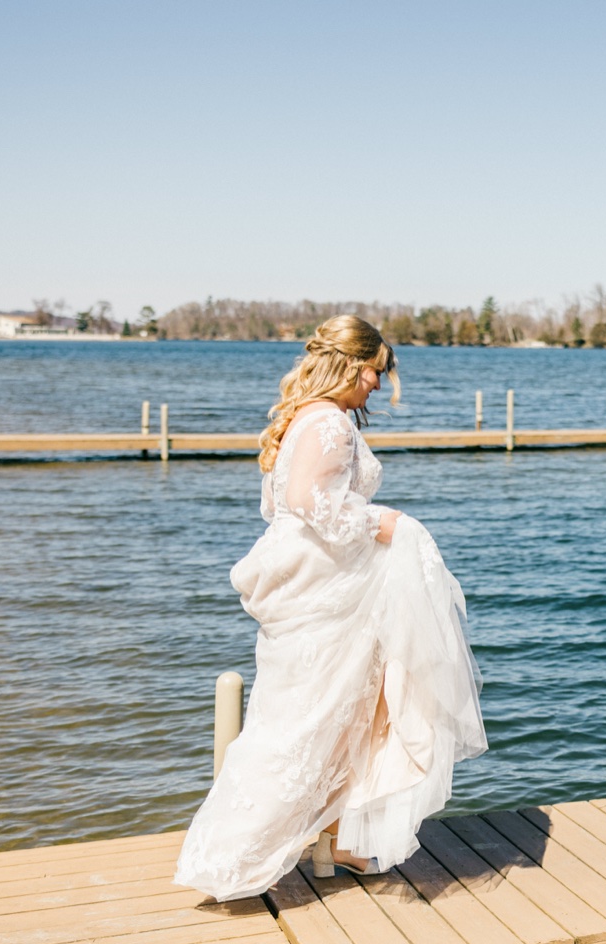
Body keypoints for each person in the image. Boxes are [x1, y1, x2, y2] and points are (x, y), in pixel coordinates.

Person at [175, 315, 486, 901]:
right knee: (311, 721)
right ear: (352, 364)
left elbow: (281, 512)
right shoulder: (330, 425)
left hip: (316, 583)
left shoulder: (302, 419)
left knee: (342, 715)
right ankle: (236, 855)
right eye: (376, 372)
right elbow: (309, 504)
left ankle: (338, 838)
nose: (378, 386)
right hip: (326, 593)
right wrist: (387, 522)